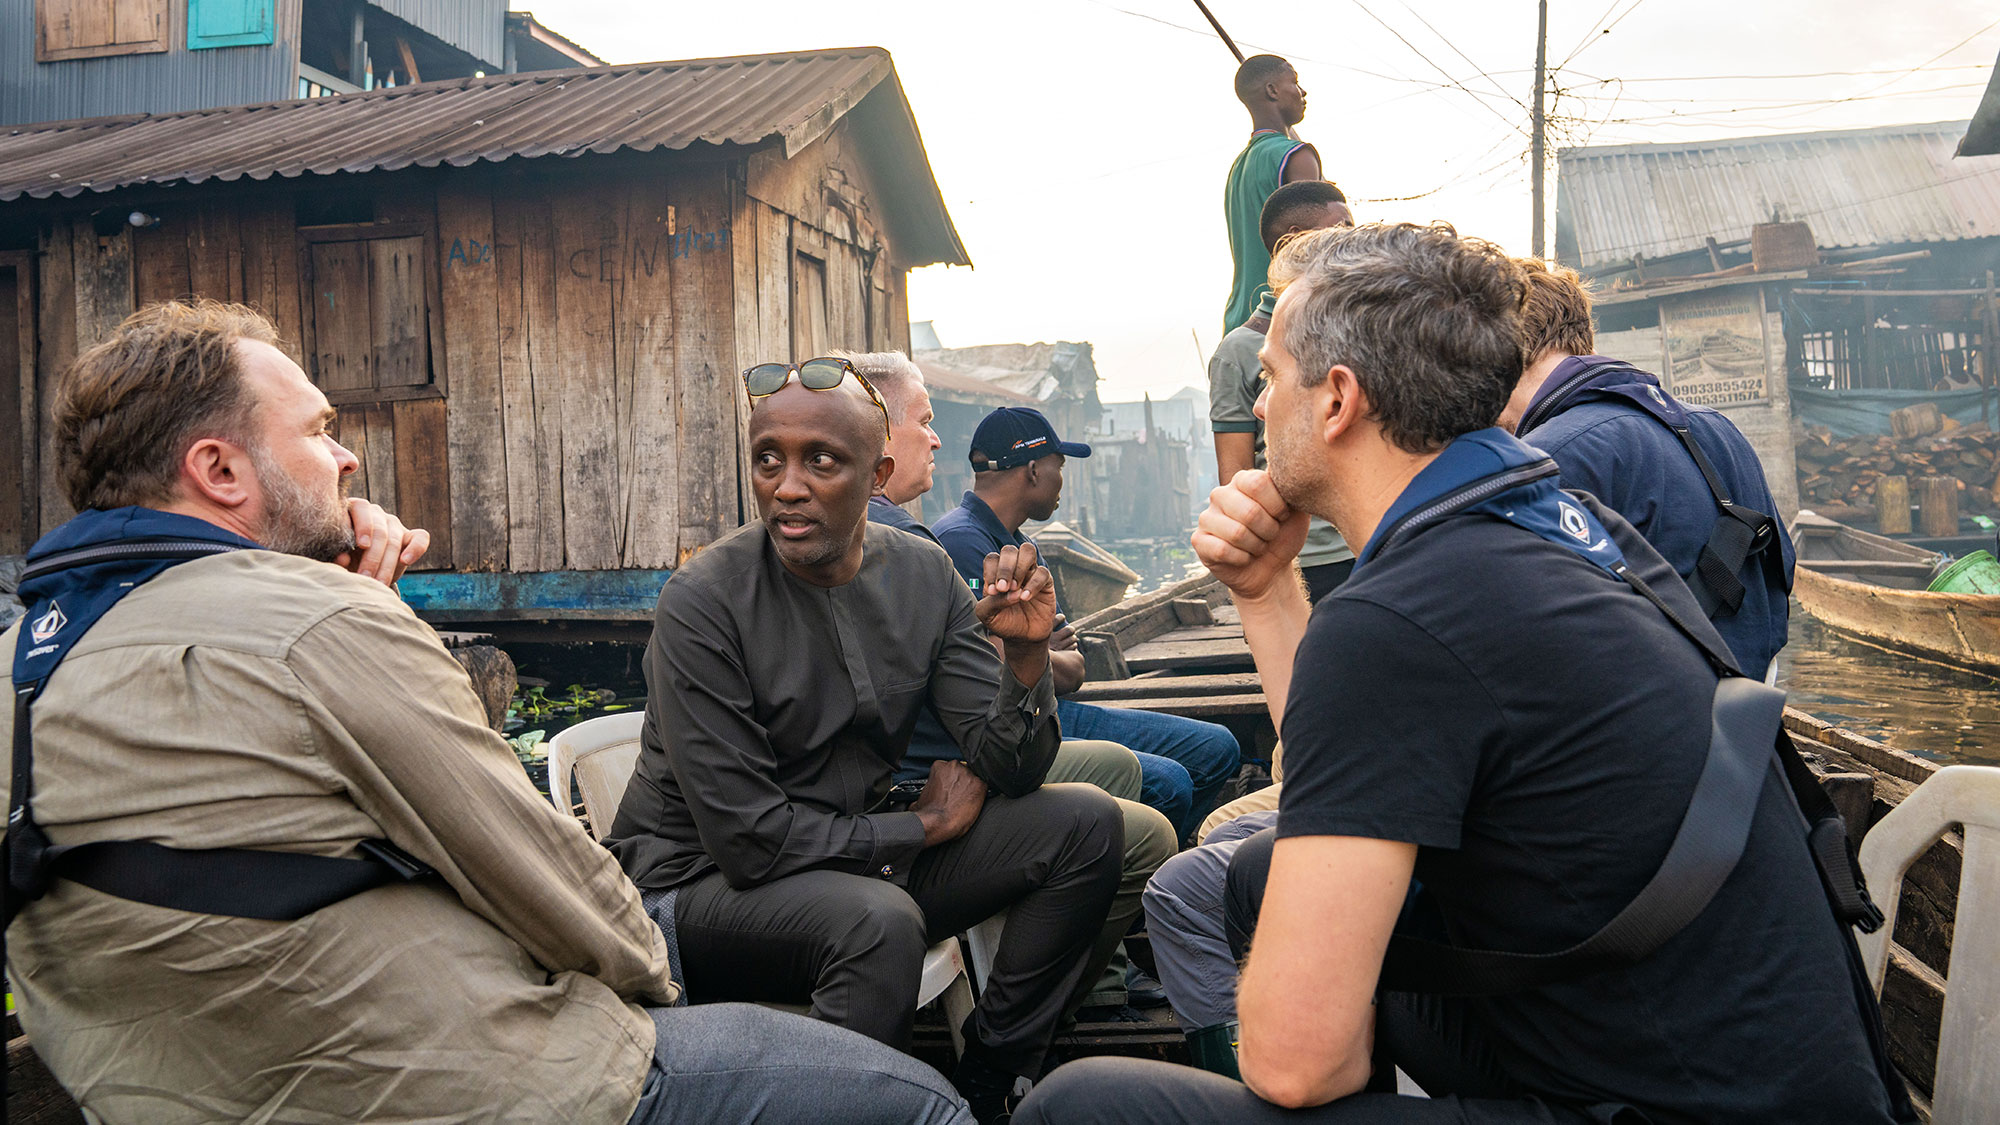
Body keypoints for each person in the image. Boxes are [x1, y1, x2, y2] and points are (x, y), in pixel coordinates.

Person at [1015, 223, 1910, 1124]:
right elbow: (1345, 777)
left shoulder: (1404, 612)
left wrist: (1304, 1025)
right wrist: (1263, 588)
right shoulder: (1554, 519)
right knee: (1255, 875)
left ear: (1336, 400)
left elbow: (1294, 1067)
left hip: (1684, 1103)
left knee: (1081, 1103)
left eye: (1271, 377)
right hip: (1754, 1065)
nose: (1257, 405)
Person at [0, 301, 971, 1125]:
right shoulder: (319, 626)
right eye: (316, 430)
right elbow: (545, 877)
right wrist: (654, 983)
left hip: (182, 1093)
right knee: (920, 1101)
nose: (344, 458)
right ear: (220, 471)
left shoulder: (20, 666)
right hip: (474, 1085)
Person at [602, 357, 1124, 1123]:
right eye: (767, 459)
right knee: (875, 923)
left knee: (1085, 825)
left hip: (854, 856)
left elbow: (1012, 765)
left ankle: (987, 1077)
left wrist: (1026, 660)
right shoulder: (702, 603)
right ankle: (847, 1107)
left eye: (821, 460)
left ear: (876, 473)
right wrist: (922, 825)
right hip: (697, 887)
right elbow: (751, 843)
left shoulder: (924, 574)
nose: (786, 485)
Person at [844, 350, 1178, 1019]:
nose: (938, 439)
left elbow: (998, 689)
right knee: (1140, 824)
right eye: (925, 420)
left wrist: (1026, 656)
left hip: (927, 789)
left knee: (1116, 782)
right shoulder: (919, 551)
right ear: (875, 446)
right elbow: (998, 738)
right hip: (909, 807)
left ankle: (1061, 1003)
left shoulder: (909, 542)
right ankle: (1026, 1031)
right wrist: (922, 821)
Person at [932, 406, 1243, 841]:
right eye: (1060, 467)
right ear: (1035, 470)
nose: (1064, 482)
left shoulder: (1021, 546)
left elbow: (1072, 670)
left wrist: (1044, 655)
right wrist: (1045, 653)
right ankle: (1137, 877)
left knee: (1217, 748)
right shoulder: (961, 543)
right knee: (1168, 783)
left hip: (1054, 709)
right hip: (1011, 730)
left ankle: (1147, 867)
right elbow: (1005, 667)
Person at [1499, 258, 1793, 680]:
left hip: (1648, 727)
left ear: (1502, 351)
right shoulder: (1718, 426)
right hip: (1749, 713)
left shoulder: (1546, 455)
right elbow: (1780, 576)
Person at [1211, 179, 1358, 603]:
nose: (1353, 240)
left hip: (1371, 538)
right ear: (1295, 242)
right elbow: (1237, 478)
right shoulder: (1239, 350)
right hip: (1306, 558)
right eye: (1341, 229)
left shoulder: (1359, 327)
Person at [1223, 53, 1322, 334]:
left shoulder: (1239, 166)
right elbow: (1315, 251)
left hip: (1239, 321)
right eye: (1295, 82)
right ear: (1272, 91)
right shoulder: (1296, 155)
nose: (1302, 92)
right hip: (1282, 319)